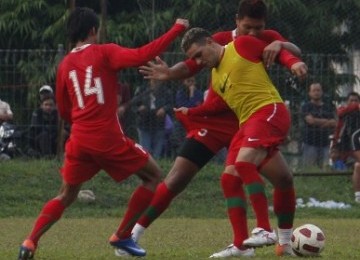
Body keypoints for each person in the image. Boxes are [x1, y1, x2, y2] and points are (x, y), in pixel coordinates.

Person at [129, 0, 307, 258]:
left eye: (259, 28)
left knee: (257, 170)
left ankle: (266, 230)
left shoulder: (251, 41)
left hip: (262, 114)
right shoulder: (216, 65)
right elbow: (201, 84)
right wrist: (189, 107)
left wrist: (289, 58)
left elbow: (288, 52)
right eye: (248, 27)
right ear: (237, 21)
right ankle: (243, 245)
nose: (254, 33)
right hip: (238, 125)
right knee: (228, 178)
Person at [17, 7, 188, 260]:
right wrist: (177, 29)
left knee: (66, 194)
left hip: (78, 140)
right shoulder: (104, 52)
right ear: (93, 30)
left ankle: (30, 241)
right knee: (153, 176)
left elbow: (64, 111)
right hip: (106, 138)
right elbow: (143, 54)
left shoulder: (64, 65)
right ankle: (122, 235)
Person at [175, 27, 305, 258]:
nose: (197, 61)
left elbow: (275, 51)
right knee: (234, 179)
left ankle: (265, 229)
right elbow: (217, 106)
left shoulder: (241, 45)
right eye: (193, 59)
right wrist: (192, 112)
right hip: (247, 124)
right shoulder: (215, 76)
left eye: (198, 54)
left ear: (209, 41)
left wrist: (293, 62)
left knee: (244, 164)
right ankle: (244, 246)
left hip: (268, 111)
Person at [330, 92, 360, 203]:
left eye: (356, 100)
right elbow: (340, 112)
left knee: (356, 166)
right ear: (347, 102)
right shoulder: (344, 111)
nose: (353, 103)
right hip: (345, 148)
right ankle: (353, 196)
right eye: (351, 100)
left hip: (356, 147)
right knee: (351, 167)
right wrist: (334, 147)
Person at [134, 78, 173, 159]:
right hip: (144, 124)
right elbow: (134, 104)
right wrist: (139, 108)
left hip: (159, 124)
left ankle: (155, 168)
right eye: (153, 78)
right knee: (146, 151)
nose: (155, 80)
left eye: (158, 79)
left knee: (157, 153)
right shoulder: (142, 89)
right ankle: (146, 168)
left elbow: (171, 105)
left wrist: (164, 109)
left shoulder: (166, 91)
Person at [301, 82, 337, 169]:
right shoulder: (306, 106)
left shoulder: (328, 107)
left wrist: (316, 121)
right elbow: (310, 121)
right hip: (310, 142)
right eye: (314, 90)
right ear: (309, 93)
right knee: (310, 169)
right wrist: (327, 122)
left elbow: (334, 122)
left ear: (322, 92)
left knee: (324, 169)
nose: (316, 92)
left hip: (325, 143)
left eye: (318, 90)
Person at [172, 76, 203, 153]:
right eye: (188, 81)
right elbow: (186, 107)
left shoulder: (199, 93)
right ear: (184, 82)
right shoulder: (181, 93)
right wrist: (192, 96)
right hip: (182, 122)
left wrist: (192, 95)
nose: (191, 84)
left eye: (192, 81)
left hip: (195, 122)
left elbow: (198, 107)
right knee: (181, 142)